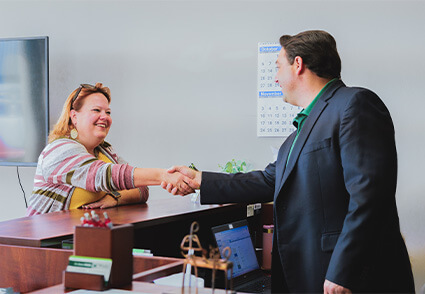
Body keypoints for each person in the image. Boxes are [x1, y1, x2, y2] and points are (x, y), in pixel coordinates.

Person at [163, 30, 415, 293]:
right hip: (312, 273)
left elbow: (369, 197)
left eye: (277, 67)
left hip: (349, 277)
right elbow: (268, 180)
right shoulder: (298, 134)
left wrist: (344, 271)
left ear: (298, 64)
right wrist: (200, 179)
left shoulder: (354, 104)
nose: (274, 78)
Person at [27, 83, 193, 215]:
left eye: (108, 112)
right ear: (74, 117)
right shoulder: (58, 149)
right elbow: (102, 175)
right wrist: (163, 175)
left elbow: (141, 189)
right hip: (46, 246)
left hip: (88, 239)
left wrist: (115, 197)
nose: (104, 117)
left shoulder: (105, 151)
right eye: (96, 110)